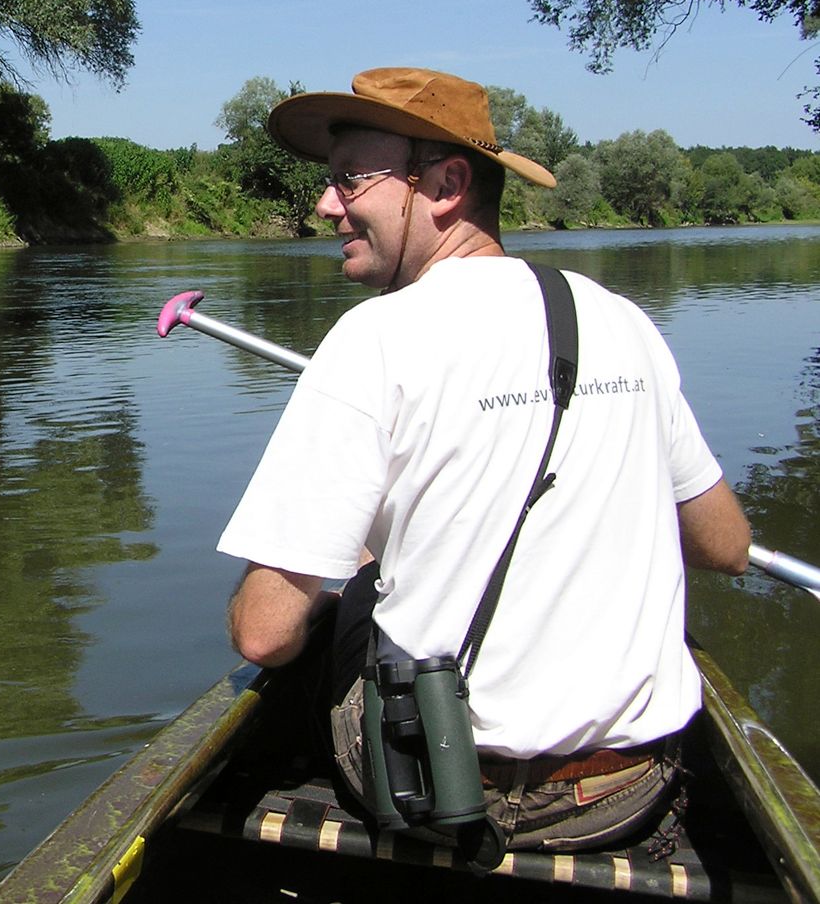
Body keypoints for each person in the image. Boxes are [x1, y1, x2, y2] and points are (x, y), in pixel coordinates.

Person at [217, 67, 751, 852]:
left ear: (446, 184)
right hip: (624, 790)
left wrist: (335, 576)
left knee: (354, 592)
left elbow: (264, 636)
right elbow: (725, 546)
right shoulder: (621, 319)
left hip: (442, 784)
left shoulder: (373, 339)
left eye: (350, 180)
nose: (326, 207)